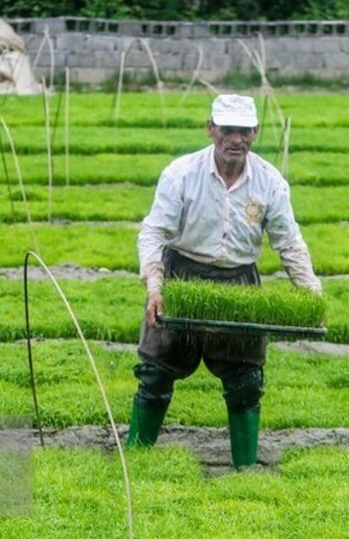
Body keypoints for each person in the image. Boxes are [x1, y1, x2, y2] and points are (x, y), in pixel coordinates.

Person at [128, 93, 321, 469]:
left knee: (246, 382)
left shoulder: (270, 183)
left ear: (255, 132)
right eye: (228, 130)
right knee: (154, 374)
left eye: (245, 131)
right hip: (182, 274)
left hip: (239, 281)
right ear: (211, 128)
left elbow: (289, 243)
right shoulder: (181, 174)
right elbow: (153, 233)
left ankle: (244, 470)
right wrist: (154, 286)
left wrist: (312, 294)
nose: (237, 139)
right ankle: (135, 461)